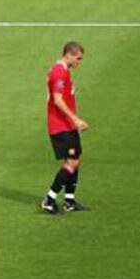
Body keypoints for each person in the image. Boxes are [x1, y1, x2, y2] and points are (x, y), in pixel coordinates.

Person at [42, 42, 89, 214]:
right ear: (69, 54)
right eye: (78, 58)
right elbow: (57, 100)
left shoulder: (61, 69)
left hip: (66, 124)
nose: (79, 62)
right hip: (61, 125)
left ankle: (69, 201)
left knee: (76, 160)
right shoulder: (59, 72)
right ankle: (49, 199)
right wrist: (75, 119)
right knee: (72, 162)